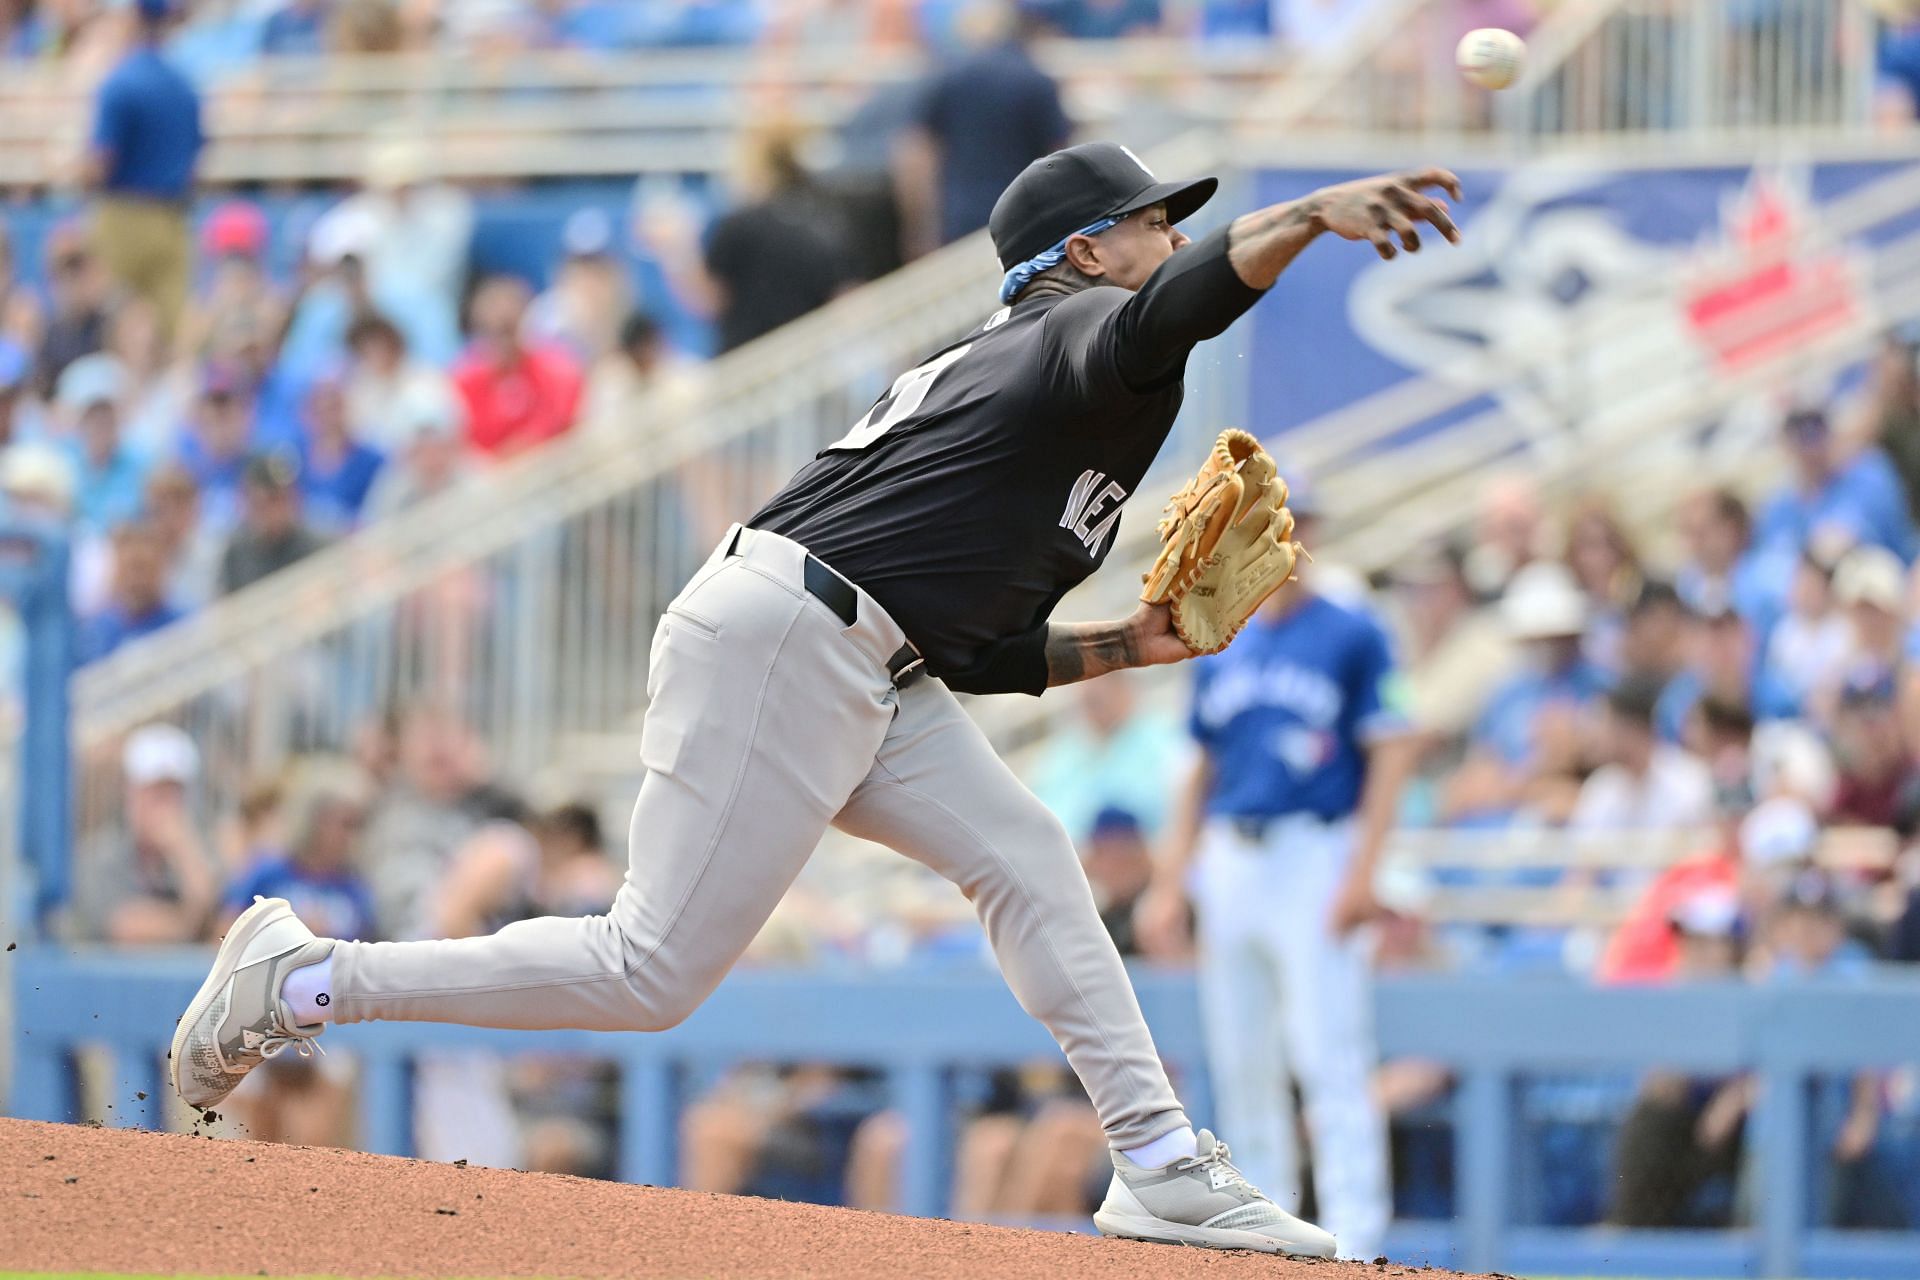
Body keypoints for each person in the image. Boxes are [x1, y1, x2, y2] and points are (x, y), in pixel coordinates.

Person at [173, 140, 1466, 1258]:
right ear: (1083, 251)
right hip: (792, 639)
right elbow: (1175, 307)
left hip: (864, 652)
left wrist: (1127, 642)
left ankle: (1161, 1162)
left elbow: (978, 649)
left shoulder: (1039, 390)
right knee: (648, 973)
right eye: (1147, 221)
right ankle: (307, 978)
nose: (1169, 235)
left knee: (1027, 854)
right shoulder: (1080, 337)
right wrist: (1302, 219)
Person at [1135, 493, 1418, 1260]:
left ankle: (1358, 1239)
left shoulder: (1354, 630)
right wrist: (1170, 881)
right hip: (1233, 854)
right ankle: (1267, 1234)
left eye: (1294, 526)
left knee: (1330, 1053)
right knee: (1242, 1057)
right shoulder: (1224, 633)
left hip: (1315, 851)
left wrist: (1364, 871)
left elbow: (1393, 749)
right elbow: (1197, 767)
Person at [895, 1, 1071, 255]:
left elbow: (916, 152)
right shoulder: (1034, 79)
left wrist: (918, 227)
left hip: (959, 217)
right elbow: (1058, 154)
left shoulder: (945, 78)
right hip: (1023, 218)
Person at [85, 0, 204, 341]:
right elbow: (196, 163)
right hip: (173, 218)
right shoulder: (184, 85)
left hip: (123, 215)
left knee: (111, 326)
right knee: (172, 330)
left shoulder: (119, 83)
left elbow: (100, 163)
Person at [70, 723, 218, 944]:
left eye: (172, 793)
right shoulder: (100, 856)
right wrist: (191, 923)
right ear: (130, 792)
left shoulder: (197, 851)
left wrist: (184, 853)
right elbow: (126, 926)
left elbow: (216, 915)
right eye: (154, 792)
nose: (164, 805)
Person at [451, 276, 584, 459]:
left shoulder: (556, 368)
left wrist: (527, 446)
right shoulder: (463, 384)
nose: (500, 341)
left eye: (507, 329)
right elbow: (467, 443)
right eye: (489, 330)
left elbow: (562, 419)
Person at [218, 453, 330, 595]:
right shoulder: (237, 553)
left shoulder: (319, 549)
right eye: (267, 501)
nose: (275, 511)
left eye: (282, 499)